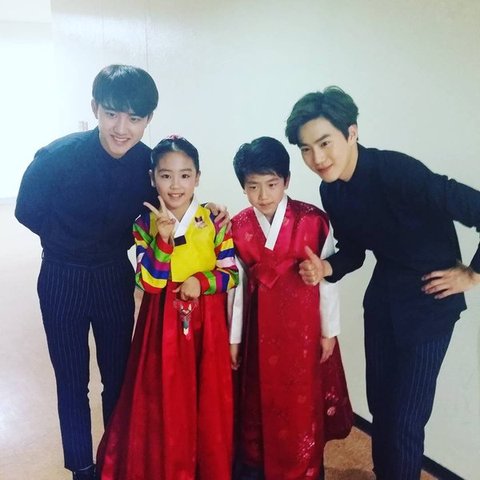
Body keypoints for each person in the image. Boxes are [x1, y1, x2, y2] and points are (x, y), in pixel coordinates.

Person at [285, 86, 480, 480]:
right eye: (306, 149)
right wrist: (326, 268)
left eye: (324, 143)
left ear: (351, 133)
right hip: (383, 299)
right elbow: (354, 251)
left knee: (406, 419)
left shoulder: (397, 171)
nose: (317, 158)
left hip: (429, 302)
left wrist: (472, 274)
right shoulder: (331, 189)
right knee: (381, 406)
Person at [15, 64, 159, 480]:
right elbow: (26, 210)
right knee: (72, 380)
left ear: (148, 119)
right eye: (112, 114)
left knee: (118, 377)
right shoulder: (57, 157)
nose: (121, 128)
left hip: (114, 274)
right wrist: (66, 240)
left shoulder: (148, 164)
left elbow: (174, 196)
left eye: (134, 118)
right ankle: (82, 467)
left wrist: (212, 211)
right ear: (95, 108)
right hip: (62, 275)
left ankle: (115, 459)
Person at [96, 135, 238, 480]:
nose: (176, 185)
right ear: (152, 178)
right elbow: (150, 283)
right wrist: (162, 241)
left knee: (207, 395)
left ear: (198, 178)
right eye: (166, 175)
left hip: (207, 322)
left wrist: (201, 282)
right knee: (162, 394)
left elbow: (231, 273)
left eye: (185, 175)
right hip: (160, 323)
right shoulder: (144, 224)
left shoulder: (214, 221)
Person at [229, 136, 352, 480]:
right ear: (243, 187)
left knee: (302, 402)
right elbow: (236, 289)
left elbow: (328, 280)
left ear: (286, 180)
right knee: (258, 401)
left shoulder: (314, 221)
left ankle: (305, 468)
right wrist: (234, 339)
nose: (263, 195)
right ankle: (257, 468)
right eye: (253, 186)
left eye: (272, 184)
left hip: (304, 331)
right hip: (258, 331)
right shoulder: (238, 227)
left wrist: (329, 331)